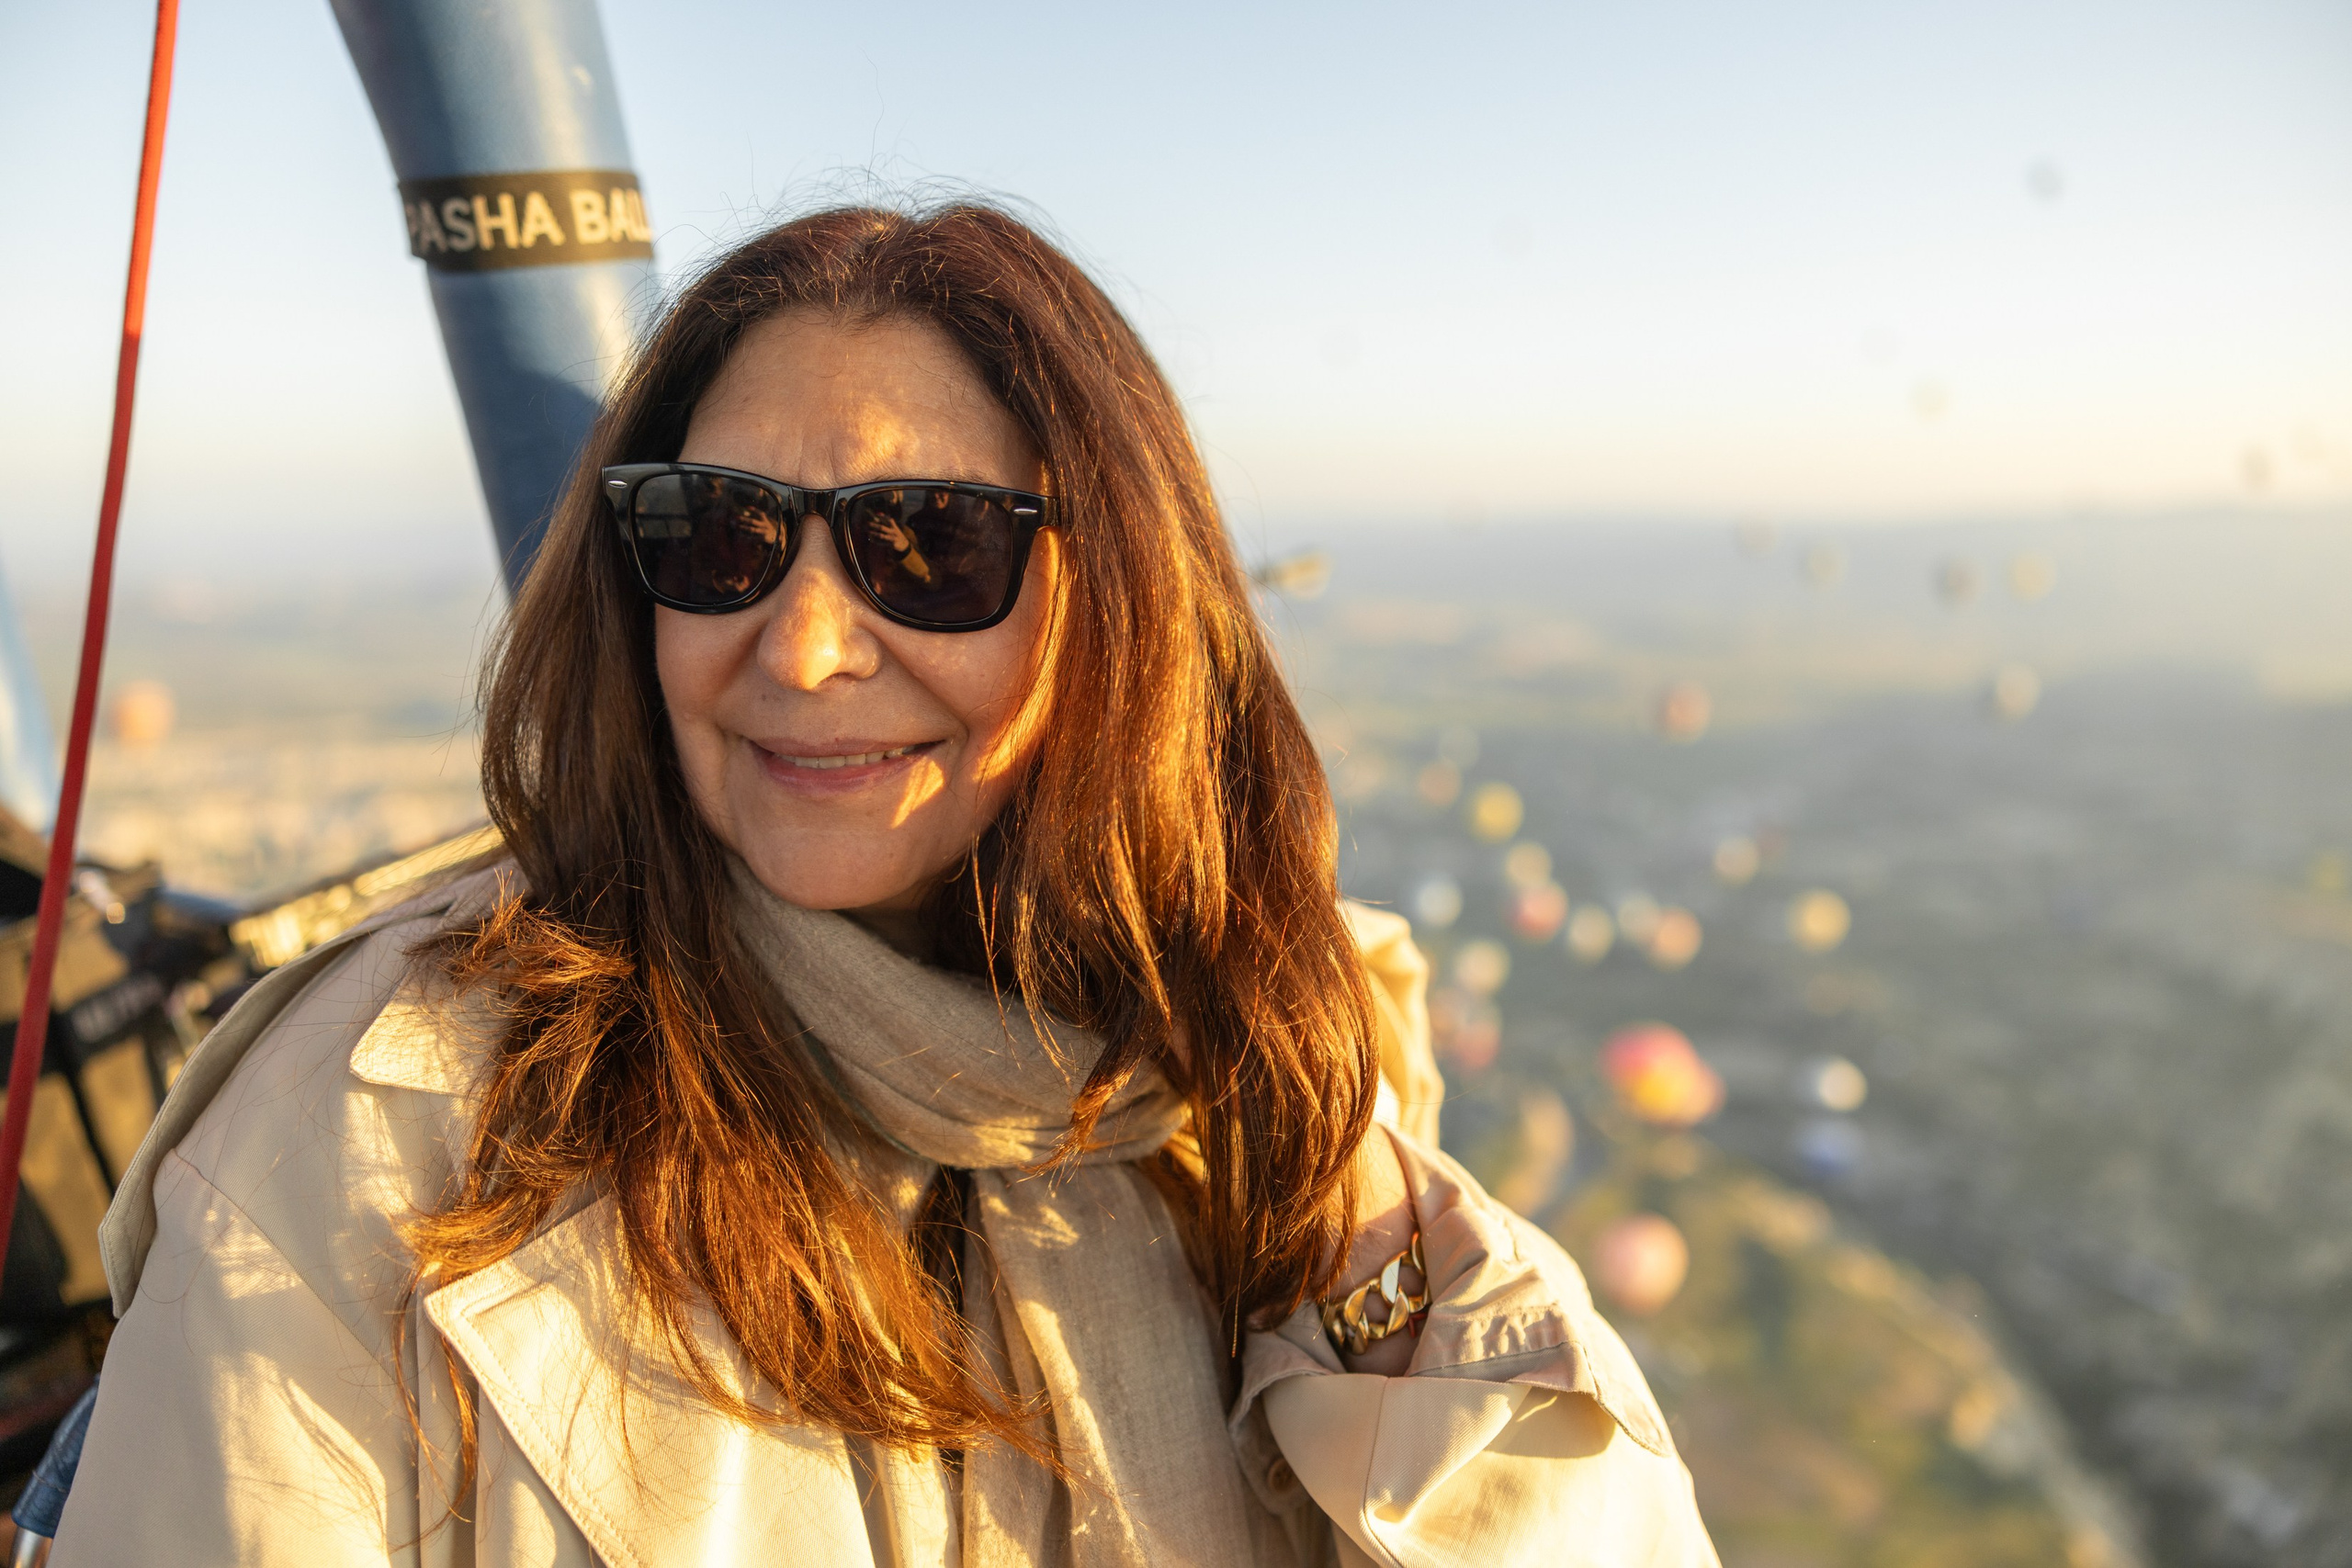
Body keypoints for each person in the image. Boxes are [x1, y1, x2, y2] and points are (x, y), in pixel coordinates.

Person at [53, 203, 1717, 1566]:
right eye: (717, 535)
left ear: (1118, 608)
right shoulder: (376, 1138)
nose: (807, 643)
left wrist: (1351, 1246)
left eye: (930, 543)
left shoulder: (1264, 1067)